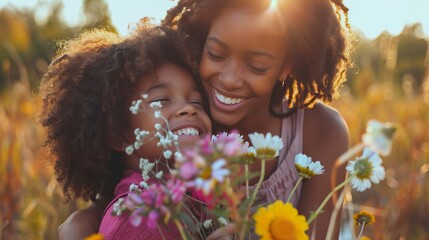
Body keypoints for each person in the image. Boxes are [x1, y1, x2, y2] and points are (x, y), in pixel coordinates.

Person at [59, 0, 351, 238]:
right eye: (215, 54)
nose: (229, 79)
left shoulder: (320, 130)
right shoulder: (193, 118)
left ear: (287, 65)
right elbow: (135, 179)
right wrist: (86, 218)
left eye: (257, 66)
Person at [40, 24, 212, 239]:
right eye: (161, 101)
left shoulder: (194, 194)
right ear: (118, 134)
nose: (188, 108)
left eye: (196, 100)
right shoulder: (142, 219)